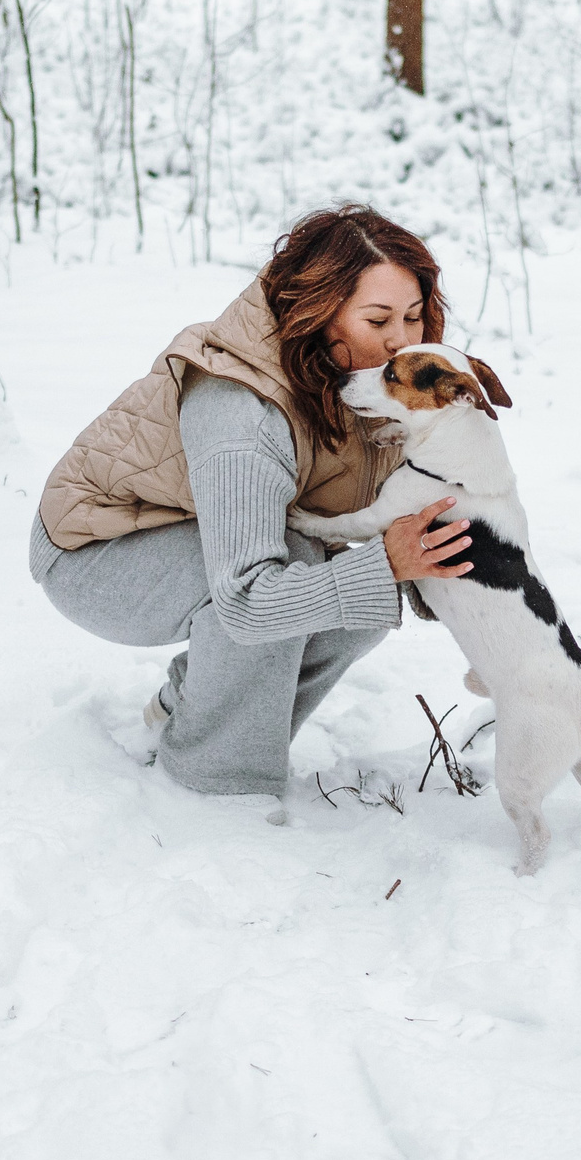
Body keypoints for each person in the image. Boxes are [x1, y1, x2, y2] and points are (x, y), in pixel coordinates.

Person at [30, 205, 474, 800]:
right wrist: (385, 563)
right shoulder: (242, 412)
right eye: (378, 319)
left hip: (197, 529)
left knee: (357, 601)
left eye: (414, 317)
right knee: (299, 573)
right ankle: (217, 785)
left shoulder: (361, 377)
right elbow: (245, 599)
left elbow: (409, 511)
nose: (401, 339)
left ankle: (193, 711)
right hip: (95, 552)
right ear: (319, 311)